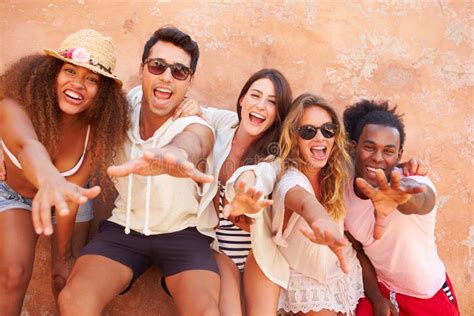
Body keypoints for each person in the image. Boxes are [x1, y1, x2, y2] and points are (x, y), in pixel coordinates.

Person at [58, 26, 219, 316]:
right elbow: (63, 102)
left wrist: (173, 155)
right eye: (158, 66)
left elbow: (196, 140)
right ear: (142, 69)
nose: (167, 77)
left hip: (183, 233)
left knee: (207, 311)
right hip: (125, 229)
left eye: (180, 71)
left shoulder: (194, 122)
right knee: (73, 299)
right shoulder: (120, 108)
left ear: (189, 81)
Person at [0, 29, 129, 315]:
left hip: (71, 197)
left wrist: (62, 256)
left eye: (91, 79)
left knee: (64, 277)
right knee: (13, 273)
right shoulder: (14, 107)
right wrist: (50, 180)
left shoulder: (95, 130)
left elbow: (70, 197)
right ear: (51, 74)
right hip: (14, 193)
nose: (78, 84)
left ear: (102, 92)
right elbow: (27, 146)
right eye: (69, 71)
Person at [163, 67, 293, 315]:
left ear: (278, 114)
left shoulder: (276, 154)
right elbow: (201, 112)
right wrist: (192, 105)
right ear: (242, 99)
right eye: (255, 95)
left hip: (258, 251)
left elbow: (261, 176)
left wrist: (245, 189)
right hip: (217, 248)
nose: (261, 105)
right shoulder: (222, 127)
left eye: (272, 102)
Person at [343, 100, 460, 315]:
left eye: (388, 151)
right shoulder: (344, 194)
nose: (377, 158)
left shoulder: (413, 181)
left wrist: (403, 196)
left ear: (399, 154)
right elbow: (359, 252)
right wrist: (377, 299)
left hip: (428, 296)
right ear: (354, 146)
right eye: (369, 147)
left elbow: (423, 200)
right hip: (383, 291)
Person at [268, 93, 364, 315]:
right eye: (308, 131)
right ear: (294, 136)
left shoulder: (337, 172)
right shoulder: (290, 180)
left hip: (341, 271)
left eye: (327, 130)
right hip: (306, 281)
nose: (320, 138)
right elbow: (304, 202)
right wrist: (321, 221)